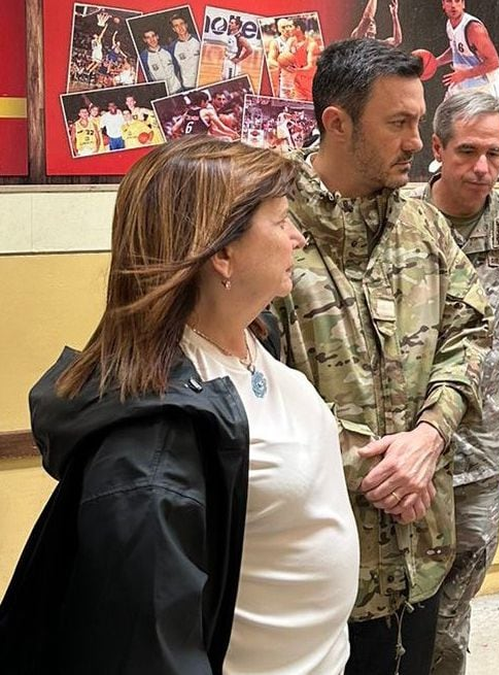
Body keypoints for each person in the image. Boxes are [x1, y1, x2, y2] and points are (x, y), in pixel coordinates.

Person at [0, 137, 359, 674]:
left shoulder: (252, 339)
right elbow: (148, 648)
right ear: (222, 252)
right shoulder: (151, 446)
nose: (298, 238)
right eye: (282, 221)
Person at [274, 38, 491, 675]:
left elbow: (471, 333)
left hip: (421, 557)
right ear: (336, 124)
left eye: (418, 122)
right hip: (314, 573)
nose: (417, 142)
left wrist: (429, 435)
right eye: (398, 123)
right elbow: (243, 390)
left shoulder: (422, 226)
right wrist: (379, 469)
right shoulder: (267, 228)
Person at [410, 89, 499, 675]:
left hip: (481, 457)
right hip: (400, 454)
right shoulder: (399, 222)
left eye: (496, 154)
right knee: (391, 603)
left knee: (452, 607)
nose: (482, 167)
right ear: (436, 148)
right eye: (468, 151)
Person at [435, 0, 499, 99]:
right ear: (443, 4)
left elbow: (494, 62)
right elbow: (457, 49)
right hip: (463, 84)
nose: (453, 5)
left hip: (484, 87)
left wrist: (464, 74)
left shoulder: (474, 29)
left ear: (463, 4)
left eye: (457, 1)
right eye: (449, 1)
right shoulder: (450, 25)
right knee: (445, 113)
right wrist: (436, 62)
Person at [139, 28, 183, 94]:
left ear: (157, 37)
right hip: (163, 93)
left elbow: (177, 66)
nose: (152, 40)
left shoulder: (168, 50)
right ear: (145, 40)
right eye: (148, 38)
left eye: (153, 36)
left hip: (178, 88)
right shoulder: (143, 57)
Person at [169, 13, 201, 89]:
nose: (180, 28)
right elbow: (174, 70)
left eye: (181, 24)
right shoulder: (172, 47)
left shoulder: (199, 39)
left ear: (186, 25)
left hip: (205, 80)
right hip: (188, 86)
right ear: (173, 29)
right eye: (176, 26)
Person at [221, 17, 254, 81]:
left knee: (230, 82)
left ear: (237, 26)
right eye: (230, 22)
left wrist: (239, 59)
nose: (229, 24)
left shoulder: (240, 38)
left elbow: (250, 50)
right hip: (226, 61)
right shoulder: (231, 34)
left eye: (232, 23)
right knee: (223, 79)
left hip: (233, 64)